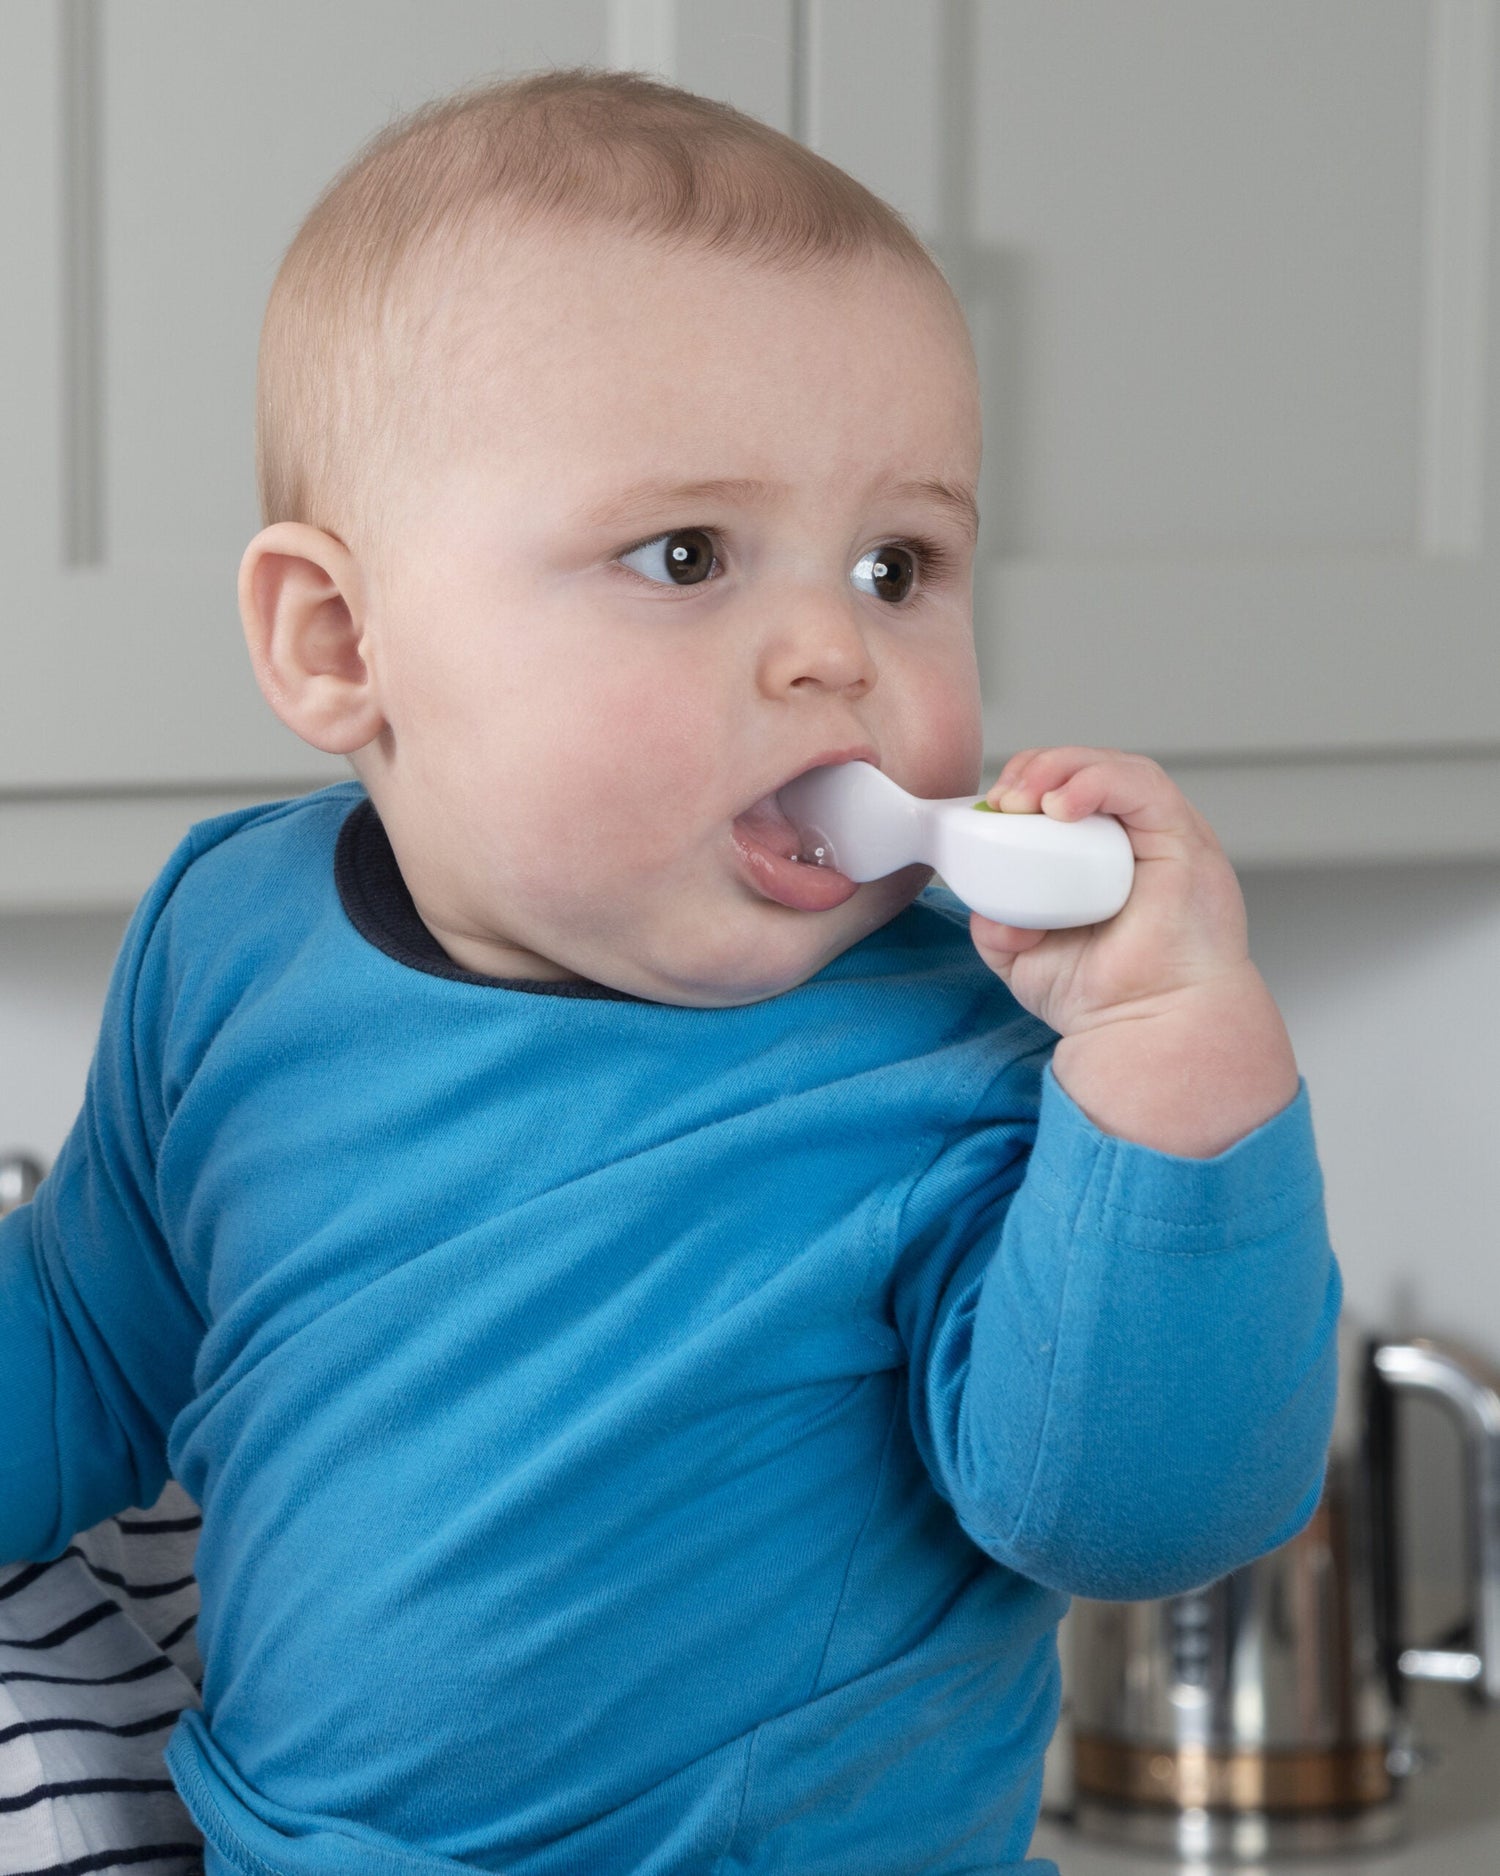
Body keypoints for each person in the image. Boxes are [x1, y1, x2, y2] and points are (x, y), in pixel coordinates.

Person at [0, 66, 1340, 1876]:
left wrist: (1173, 1066)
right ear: (338, 641)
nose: (830, 654)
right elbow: (81, 1346)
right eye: (687, 554)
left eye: (899, 561)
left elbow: (1135, 1509)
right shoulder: (232, 939)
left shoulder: (959, 1049)